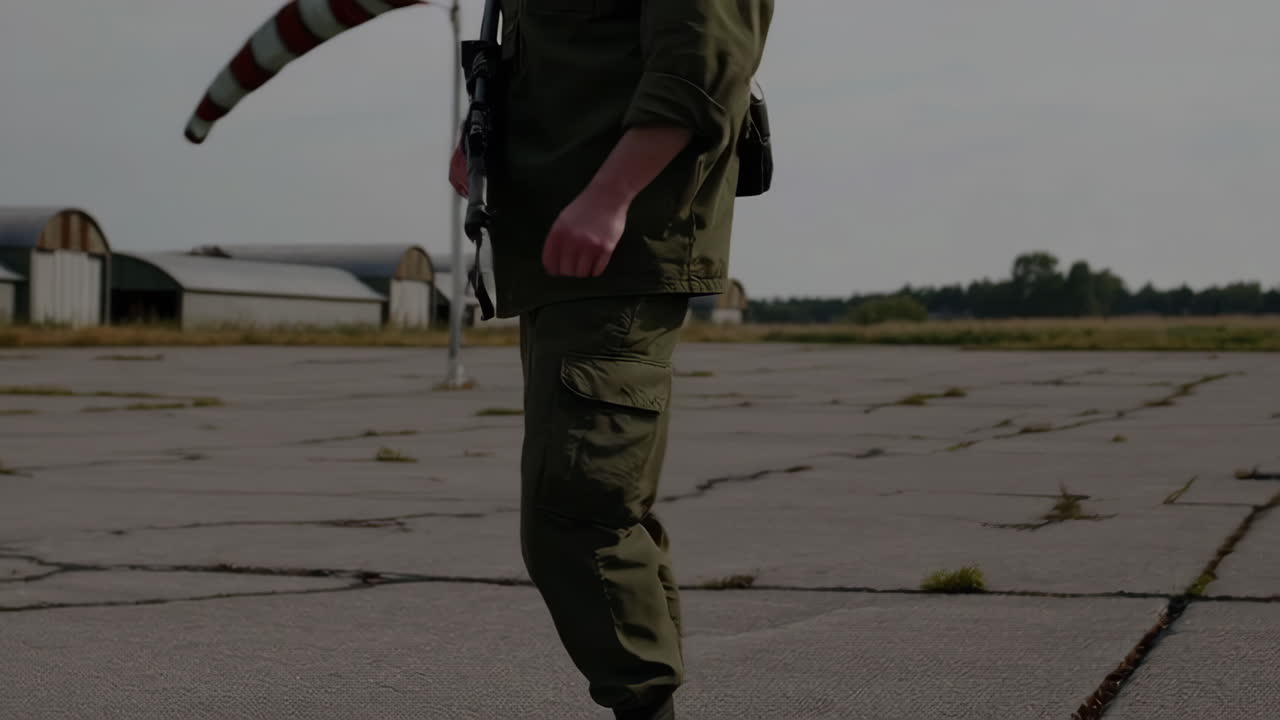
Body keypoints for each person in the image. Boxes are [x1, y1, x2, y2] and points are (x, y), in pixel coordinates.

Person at [451, 2, 773, 718]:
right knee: (600, 505)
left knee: (575, 512)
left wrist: (610, 196)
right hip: (557, 246)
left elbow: (701, 63)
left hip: (616, 247)